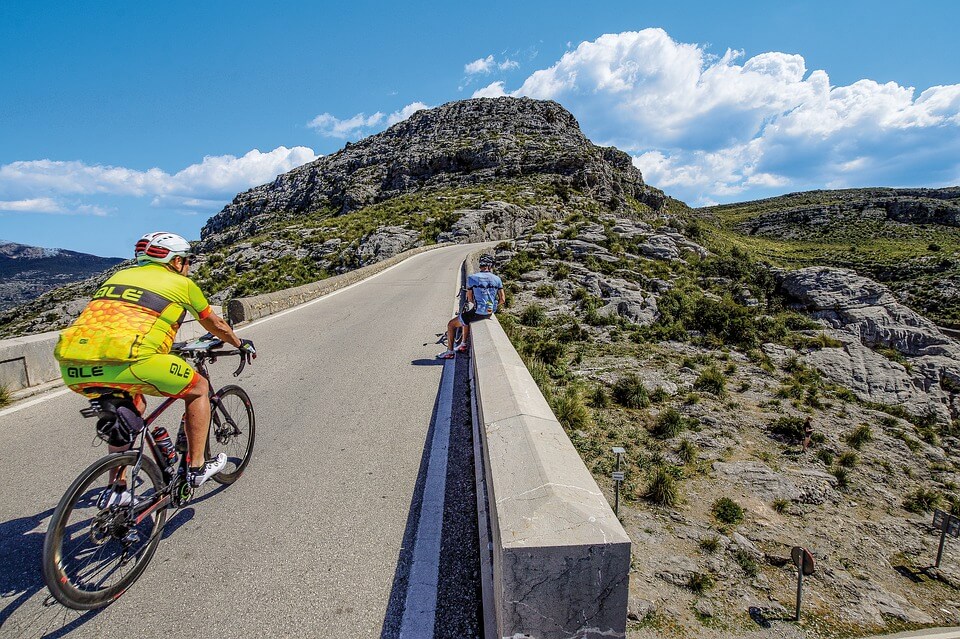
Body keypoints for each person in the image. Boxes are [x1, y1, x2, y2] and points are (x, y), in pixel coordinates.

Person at [54, 232, 257, 501]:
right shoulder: (181, 284)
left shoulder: (116, 277)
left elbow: (124, 321)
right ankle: (197, 467)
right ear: (175, 262)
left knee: (132, 405)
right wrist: (239, 342)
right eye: (186, 260)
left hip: (74, 365)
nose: (188, 266)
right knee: (198, 388)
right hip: (133, 360)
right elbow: (214, 324)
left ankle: (118, 490)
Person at [437, 253, 504, 359]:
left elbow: (470, 298)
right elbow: (502, 300)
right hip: (490, 312)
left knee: (451, 324)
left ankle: (449, 352)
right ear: (490, 266)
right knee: (465, 318)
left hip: (477, 313)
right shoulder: (497, 279)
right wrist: (492, 306)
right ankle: (463, 344)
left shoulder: (472, 278)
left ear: (481, 265)